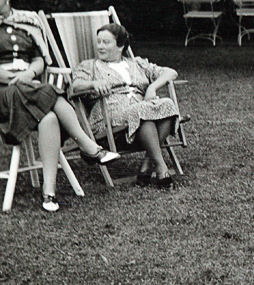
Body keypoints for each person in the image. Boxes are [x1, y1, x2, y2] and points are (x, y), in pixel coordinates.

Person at [0, 0, 120, 212]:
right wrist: (15, 78)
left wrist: (29, 74)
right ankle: (88, 146)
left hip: (29, 87)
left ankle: (49, 193)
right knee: (48, 92)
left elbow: (39, 60)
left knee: (50, 117)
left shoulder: (27, 22)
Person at [70, 23, 181, 188]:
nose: (100, 46)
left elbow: (171, 72)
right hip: (108, 116)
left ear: (120, 45)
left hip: (141, 110)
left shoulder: (137, 63)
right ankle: (160, 167)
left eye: (106, 42)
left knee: (166, 104)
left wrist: (152, 87)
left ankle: (147, 165)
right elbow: (75, 86)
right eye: (98, 42)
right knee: (144, 111)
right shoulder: (90, 66)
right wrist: (93, 83)